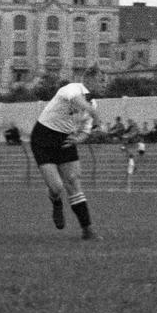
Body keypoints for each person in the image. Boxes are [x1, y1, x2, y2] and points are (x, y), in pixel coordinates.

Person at [29, 81, 102, 240]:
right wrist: (95, 114)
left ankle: (87, 229)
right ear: (90, 79)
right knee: (56, 187)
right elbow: (77, 100)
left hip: (65, 139)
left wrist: (78, 139)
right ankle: (56, 202)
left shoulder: (92, 104)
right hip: (43, 138)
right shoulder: (72, 89)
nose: (103, 84)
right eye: (100, 80)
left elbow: (85, 131)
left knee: (74, 182)